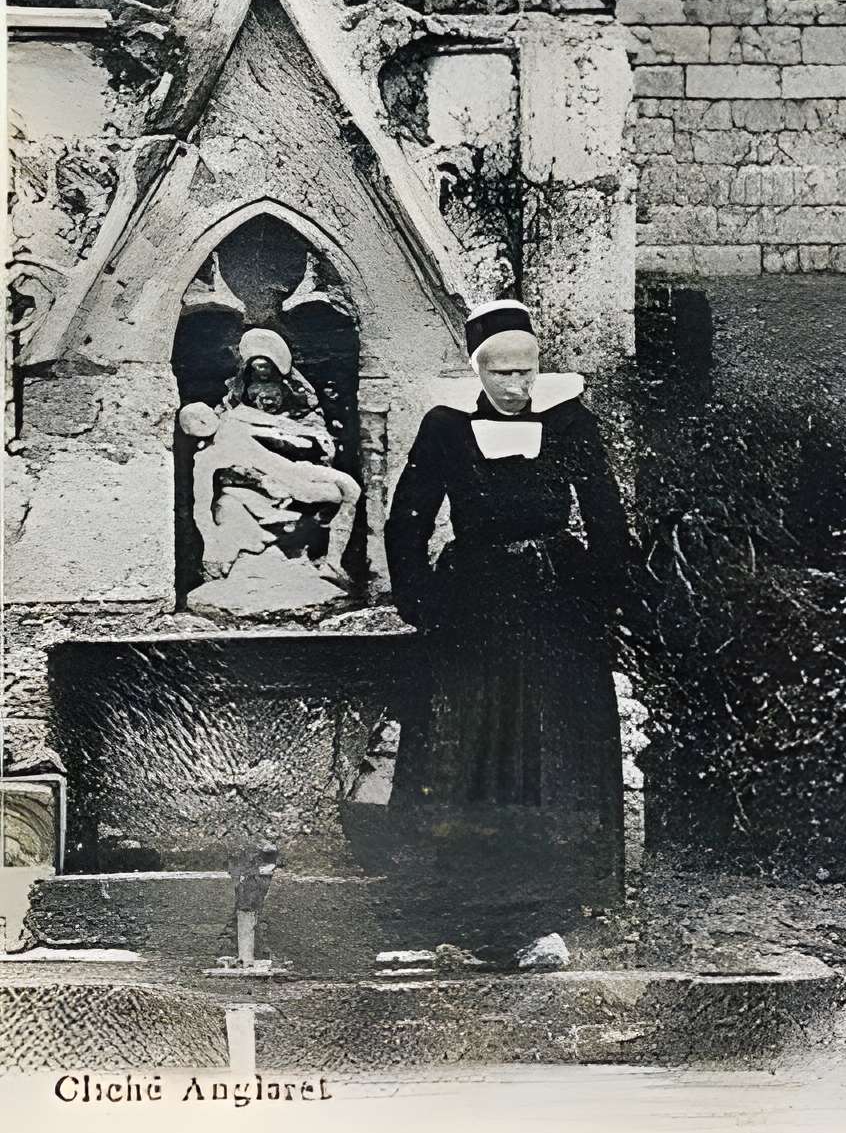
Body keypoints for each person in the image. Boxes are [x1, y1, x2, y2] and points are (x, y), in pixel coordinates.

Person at [383, 298, 634, 971]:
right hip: (476, 613)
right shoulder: (446, 429)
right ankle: (466, 915)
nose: (517, 387)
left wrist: (609, 600)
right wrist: (421, 602)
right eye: (502, 375)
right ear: (480, 373)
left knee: (548, 754)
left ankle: (544, 914)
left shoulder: (571, 424)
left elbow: (605, 514)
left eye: (527, 372)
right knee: (472, 754)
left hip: (553, 609)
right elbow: (406, 521)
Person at [181, 326, 361, 591]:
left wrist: (292, 436)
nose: (263, 373)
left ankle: (331, 561)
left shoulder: (252, 415)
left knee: (345, 490)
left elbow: (306, 433)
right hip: (258, 479)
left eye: (267, 366)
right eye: (258, 368)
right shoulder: (231, 416)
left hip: (293, 464)